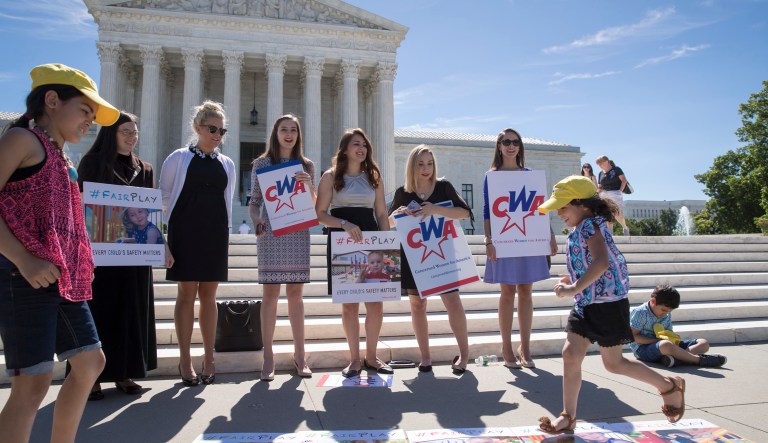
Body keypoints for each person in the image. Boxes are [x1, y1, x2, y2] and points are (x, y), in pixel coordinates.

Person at [0, 63, 116, 443]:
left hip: (62, 278)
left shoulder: (63, 158)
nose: (91, 123)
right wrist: (22, 257)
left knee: (89, 363)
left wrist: (82, 260)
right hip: (24, 275)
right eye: (85, 111)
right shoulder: (22, 140)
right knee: (32, 385)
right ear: (51, 100)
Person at [536, 175, 686, 434]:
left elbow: (602, 262)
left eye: (563, 206)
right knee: (570, 355)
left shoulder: (591, 226)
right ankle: (567, 417)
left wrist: (573, 287)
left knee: (614, 364)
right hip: (586, 303)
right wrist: (575, 279)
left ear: (581, 204)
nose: (558, 212)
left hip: (607, 305)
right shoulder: (580, 227)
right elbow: (593, 265)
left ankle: (669, 386)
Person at [76, 111, 162, 401]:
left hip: (133, 256)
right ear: (110, 134)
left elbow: (150, 214)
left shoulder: (145, 170)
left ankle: (124, 372)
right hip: (101, 255)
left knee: (130, 311)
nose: (131, 137)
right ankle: (93, 378)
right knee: (100, 311)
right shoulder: (93, 163)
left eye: (134, 132)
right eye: (125, 131)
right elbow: (82, 205)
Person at [160, 100, 236, 386]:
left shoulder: (226, 163)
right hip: (185, 230)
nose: (217, 134)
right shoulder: (178, 158)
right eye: (212, 128)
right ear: (198, 127)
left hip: (214, 232)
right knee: (186, 294)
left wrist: (226, 232)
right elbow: (164, 198)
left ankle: (209, 359)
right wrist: (165, 238)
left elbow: (227, 201)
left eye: (222, 130)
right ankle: (184, 359)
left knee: (209, 296)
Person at [388, 144, 472, 374]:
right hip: (415, 255)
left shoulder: (444, 187)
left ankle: (464, 356)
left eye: (430, 163)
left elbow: (464, 213)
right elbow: (387, 223)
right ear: (412, 166)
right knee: (417, 305)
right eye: (421, 164)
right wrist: (398, 215)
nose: (426, 169)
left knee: (453, 301)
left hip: (444, 253)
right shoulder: (402, 193)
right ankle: (425, 357)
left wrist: (435, 209)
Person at [316, 128, 392, 378]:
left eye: (365, 145)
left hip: (371, 237)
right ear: (345, 148)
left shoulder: (374, 177)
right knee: (349, 306)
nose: (362, 149)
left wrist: (386, 242)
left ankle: (371, 357)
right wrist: (344, 224)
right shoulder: (330, 176)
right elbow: (320, 214)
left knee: (375, 304)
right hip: (342, 241)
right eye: (356, 144)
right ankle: (354, 360)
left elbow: (381, 213)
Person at [483, 128, 557, 369]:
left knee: (526, 291)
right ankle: (506, 347)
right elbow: (487, 212)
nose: (511, 145)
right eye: (506, 141)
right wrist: (488, 241)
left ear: (520, 146)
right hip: (504, 239)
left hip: (530, 239)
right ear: (499, 146)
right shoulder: (491, 176)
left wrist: (551, 236)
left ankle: (525, 347)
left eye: (515, 142)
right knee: (507, 292)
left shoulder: (531, 175)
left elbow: (542, 209)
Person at [249, 114, 316, 381]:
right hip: (272, 233)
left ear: (298, 135)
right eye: (283, 129)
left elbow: (313, 204)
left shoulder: (306, 165)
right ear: (275, 133)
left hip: (297, 231)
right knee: (270, 295)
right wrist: (257, 220)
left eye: (293, 130)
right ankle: (268, 357)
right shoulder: (261, 164)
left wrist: (310, 185)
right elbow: (254, 202)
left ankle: (300, 356)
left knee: (296, 296)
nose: (288, 134)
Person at [630, 284, 727, 368]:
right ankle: (698, 360)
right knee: (666, 345)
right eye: (663, 310)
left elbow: (668, 332)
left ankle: (677, 359)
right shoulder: (641, 312)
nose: (665, 314)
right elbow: (633, 337)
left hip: (665, 344)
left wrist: (673, 337)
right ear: (653, 301)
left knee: (703, 343)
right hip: (643, 349)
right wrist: (658, 341)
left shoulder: (666, 314)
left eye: (668, 312)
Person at [595, 155, 629, 236]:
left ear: (607, 161)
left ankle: (625, 227)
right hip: (604, 194)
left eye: (601, 163)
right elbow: (600, 186)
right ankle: (610, 235)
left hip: (615, 192)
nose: (600, 165)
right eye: (598, 164)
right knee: (607, 215)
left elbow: (624, 180)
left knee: (617, 214)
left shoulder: (616, 169)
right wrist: (597, 194)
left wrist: (619, 191)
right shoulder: (600, 173)